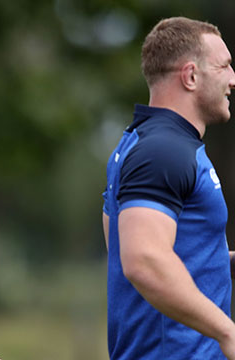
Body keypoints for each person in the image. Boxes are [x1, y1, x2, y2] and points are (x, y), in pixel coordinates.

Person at [102, 16, 235, 359]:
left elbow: (121, 242)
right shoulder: (164, 151)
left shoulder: (142, 142)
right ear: (191, 76)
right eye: (225, 66)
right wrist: (227, 332)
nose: (232, 80)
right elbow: (142, 260)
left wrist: (222, 261)